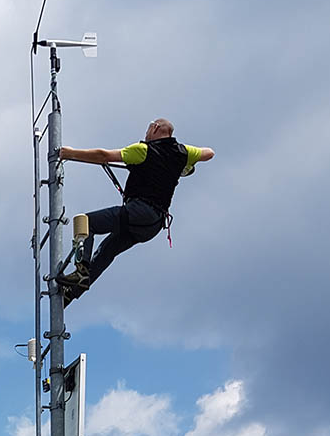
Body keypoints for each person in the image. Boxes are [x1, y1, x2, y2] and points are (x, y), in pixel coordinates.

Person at [58, 118, 214, 303]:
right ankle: (71, 294)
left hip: (140, 211)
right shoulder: (182, 152)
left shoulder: (143, 150)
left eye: (148, 128)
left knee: (86, 222)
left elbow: (103, 155)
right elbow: (209, 153)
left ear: (155, 128)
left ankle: (81, 271)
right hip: (153, 225)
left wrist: (68, 153)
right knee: (107, 250)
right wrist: (184, 165)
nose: (145, 133)